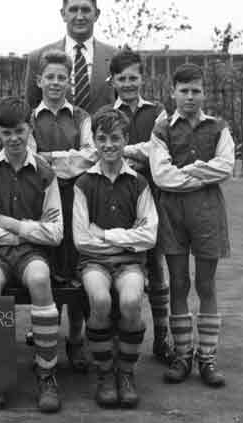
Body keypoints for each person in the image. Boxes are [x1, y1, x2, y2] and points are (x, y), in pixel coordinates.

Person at [0, 97, 63, 413]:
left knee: (40, 279)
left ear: (30, 129)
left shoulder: (45, 172)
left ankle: (46, 373)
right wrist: (31, 227)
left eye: (20, 131)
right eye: (7, 132)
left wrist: (12, 224)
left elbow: (54, 233)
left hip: (31, 253)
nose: (14, 139)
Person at [150, 63, 234, 388]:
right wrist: (202, 174)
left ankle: (207, 358)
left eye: (195, 90)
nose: (190, 96)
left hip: (208, 214)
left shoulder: (219, 127)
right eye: (183, 91)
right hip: (172, 214)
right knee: (179, 283)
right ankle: (182, 354)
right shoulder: (162, 129)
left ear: (204, 92)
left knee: (207, 284)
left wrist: (188, 172)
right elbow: (161, 175)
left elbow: (225, 166)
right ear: (173, 93)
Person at [74, 106, 158, 408]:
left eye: (115, 138)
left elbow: (149, 236)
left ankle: (126, 372)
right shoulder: (83, 184)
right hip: (93, 263)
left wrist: (107, 235)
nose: (109, 145)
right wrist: (127, 240)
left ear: (126, 140)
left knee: (131, 301)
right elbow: (83, 241)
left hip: (130, 264)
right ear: (94, 141)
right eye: (102, 138)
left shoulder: (138, 183)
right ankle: (105, 373)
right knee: (99, 299)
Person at [105, 47, 173, 363]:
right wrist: (137, 153)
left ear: (142, 78)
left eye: (134, 77)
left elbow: (159, 149)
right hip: (117, 198)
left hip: (154, 198)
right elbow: (103, 151)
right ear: (113, 80)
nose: (129, 83)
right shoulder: (106, 112)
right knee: (120, 264)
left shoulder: (157, 111)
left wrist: (128, 150)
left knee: (156, 269)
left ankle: (162, 338)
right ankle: (120, 334)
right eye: (123, 78)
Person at [29, 49, 96, 372]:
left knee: (76, 264)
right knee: (49, 264)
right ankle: (47, 336)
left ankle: (76, 336)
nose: (56, 83)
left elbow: (89, 155)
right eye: (50, 77)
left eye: (61, 77)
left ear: (69, 81)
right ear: (38, 80)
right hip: (43, 199)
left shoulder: (82, 117)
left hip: (76, 198)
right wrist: (63, 159)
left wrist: (51, 159)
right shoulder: (30, 118)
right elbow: (31, 160)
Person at [25, 0, 116, 114]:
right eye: (73, 10)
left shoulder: (114, 56)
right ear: (63, 14)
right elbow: (31, 108)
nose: (79, 17)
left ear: (96, 14)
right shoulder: (38, 57)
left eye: (85, 10)